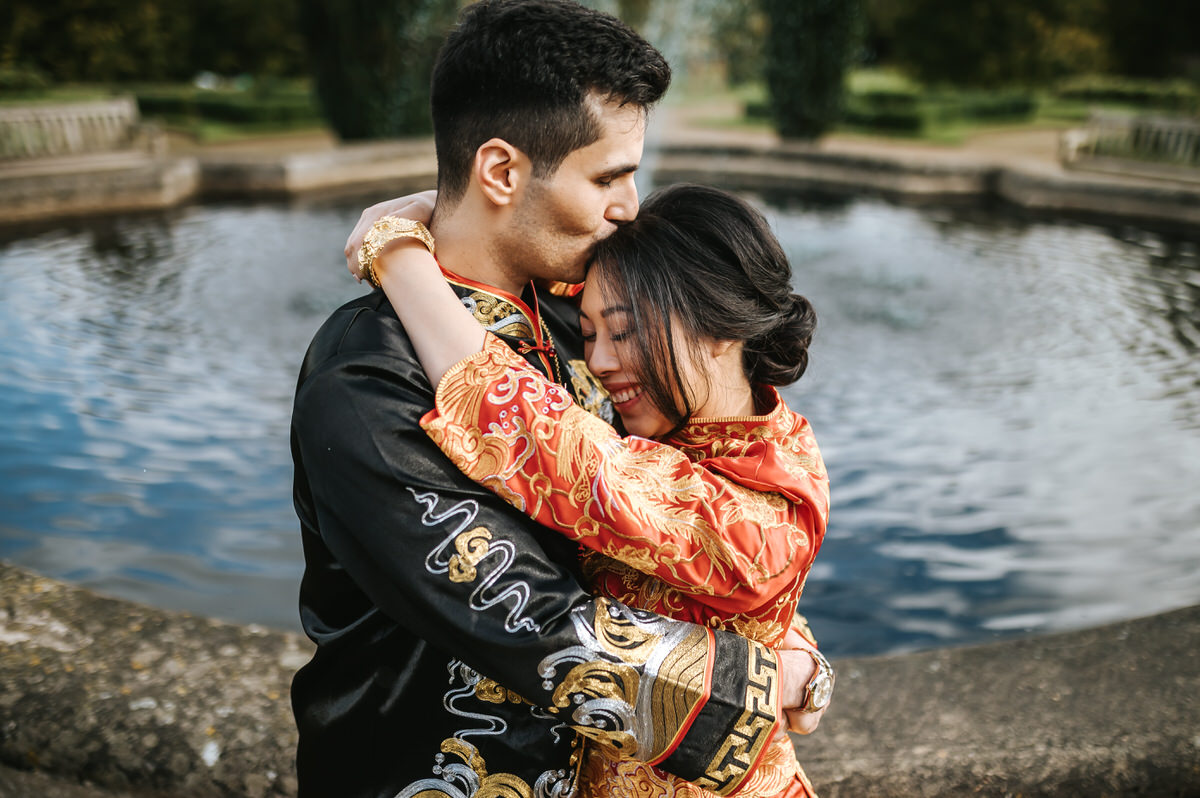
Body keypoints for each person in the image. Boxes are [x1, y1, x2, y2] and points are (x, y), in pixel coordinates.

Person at [292, 2, 826, 797]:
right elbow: (536, 624)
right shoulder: (367, 377)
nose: (630, 206)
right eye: (609, 176)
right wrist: (766, 684)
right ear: (501, 172)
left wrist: (790, 639)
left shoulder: (588, 326)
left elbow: (693, 516)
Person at [356, 183, 830, 797]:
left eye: (624, 332)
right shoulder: (740, 434)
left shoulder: (762, 509)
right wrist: (462, 208)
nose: (600, 362)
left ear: (719, 327)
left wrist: (396, 250)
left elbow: (547, 441)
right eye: (588, 334)